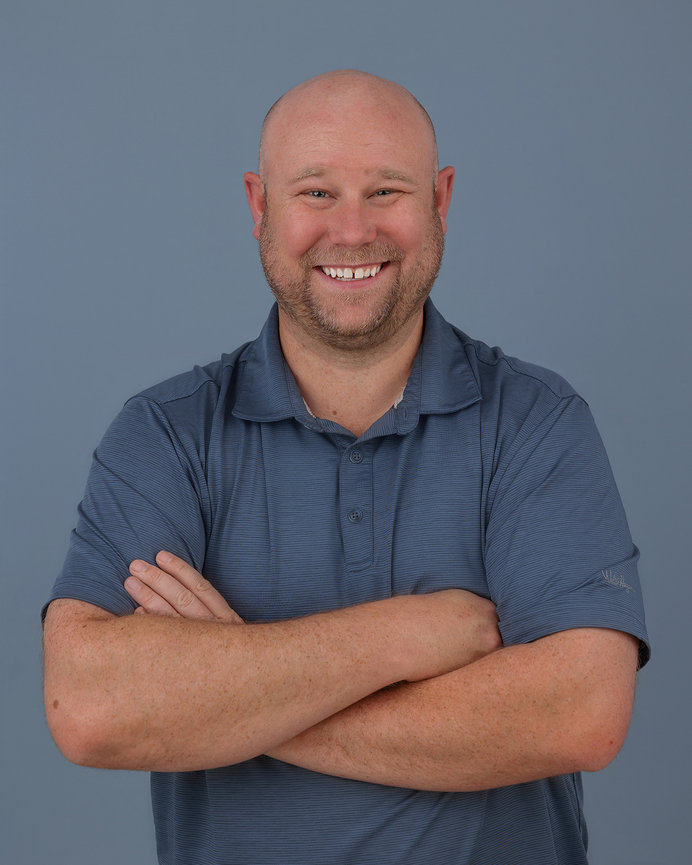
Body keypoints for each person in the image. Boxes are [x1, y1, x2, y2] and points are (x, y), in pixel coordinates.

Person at [43, 70, 649, 865]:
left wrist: (235, 689)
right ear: (261, 206)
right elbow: (87, 703)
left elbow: (581, 714)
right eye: (317, 193)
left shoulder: (536, 421)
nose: (353, 229)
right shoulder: (165, 434)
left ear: (442, 198)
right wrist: (406, 635)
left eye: (388, 190)